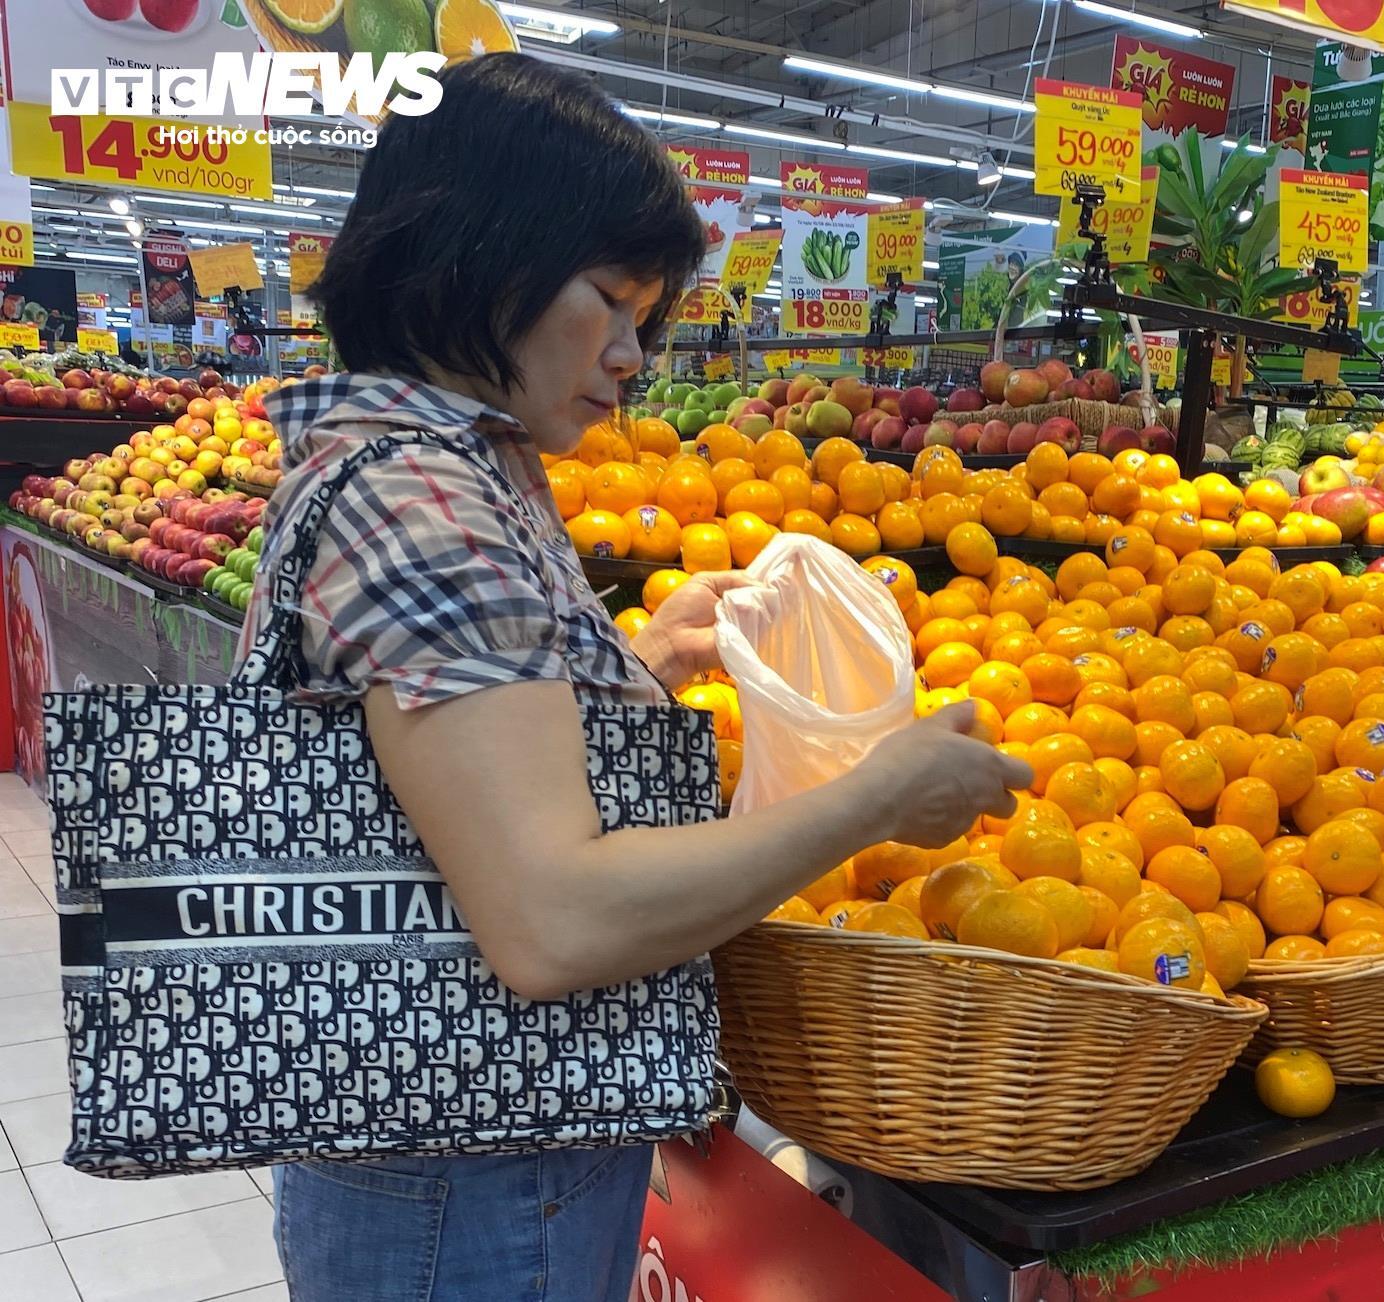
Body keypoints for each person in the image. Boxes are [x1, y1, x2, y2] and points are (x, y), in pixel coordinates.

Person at [251, 54, 1028, 1301]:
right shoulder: (427, 499)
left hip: (439, 1146)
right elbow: (554, 922)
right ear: (480, 255)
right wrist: (874, 798)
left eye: (643, 316)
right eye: (609, 301)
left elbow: (434, 746)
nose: (629, 354)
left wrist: (639, 655)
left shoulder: (422, 460)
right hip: (478, 1174)